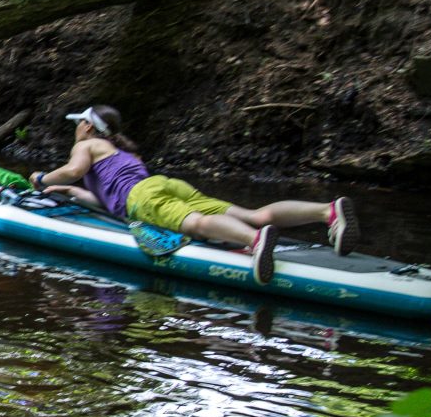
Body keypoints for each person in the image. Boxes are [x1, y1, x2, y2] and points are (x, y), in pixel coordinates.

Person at [31, 105, 357, 283]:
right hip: (168, 185)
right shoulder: (122, 153)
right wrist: (73, 192)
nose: (75, 129)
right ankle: (327, 212)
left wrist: (43, 177)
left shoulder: (86, 143)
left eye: (78, 124)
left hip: (144, 197)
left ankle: (255, 241)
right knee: (256, 214)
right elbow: (107, 198)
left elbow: (73, 169)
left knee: (197, 224)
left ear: (87, 126)